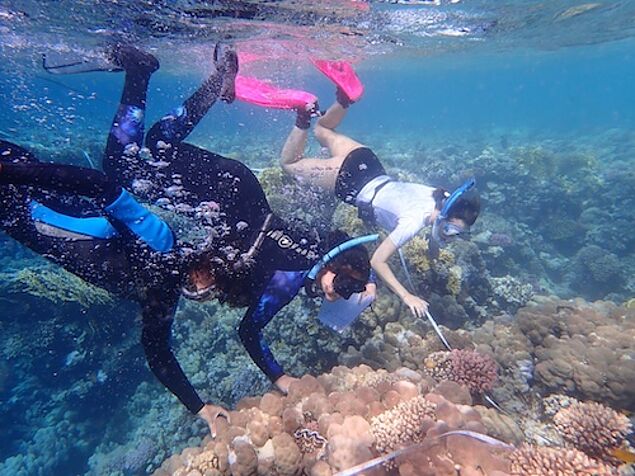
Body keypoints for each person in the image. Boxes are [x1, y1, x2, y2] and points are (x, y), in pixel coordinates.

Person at [101, 45, 376, 395]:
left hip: (237, 190)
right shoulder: (293, 278)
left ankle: (204, 79)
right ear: (337, 263)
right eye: (345, 286)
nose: (336, 296)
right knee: (122, 166)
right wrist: (281, 378)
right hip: (225, 196)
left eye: (343, 293)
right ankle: (146, 71)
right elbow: (249, 332)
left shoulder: (311, 253)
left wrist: (361, 283)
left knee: (158, 143)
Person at [278, 63, 480, 318]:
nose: (450, 236)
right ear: (444, 214)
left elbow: (438, 221)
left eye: (457, 234)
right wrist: (407, 296)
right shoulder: (413, 221)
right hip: (350, 181)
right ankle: (302, 113)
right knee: (289, 164)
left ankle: (345, 98)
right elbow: (377, 262)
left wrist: (437, 238)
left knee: (323, 130)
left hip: (368, 162)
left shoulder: (440, 194)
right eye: (452, 230)